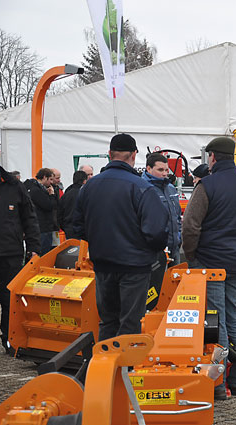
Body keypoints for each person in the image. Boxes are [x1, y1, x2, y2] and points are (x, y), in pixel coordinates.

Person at [71, 133, 168, 341]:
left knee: (108, 321)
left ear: (109, 154)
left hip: (103, 264)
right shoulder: (142, 188)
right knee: (130, 323)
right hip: (134, 266)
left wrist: (99, 241)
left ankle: (106, 360)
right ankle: (125, 361)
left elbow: (76, 226)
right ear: (134, 155)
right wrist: (147, 251)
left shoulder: (89, 187)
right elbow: (157, 232)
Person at [182, 136, 236, 400]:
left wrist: (191, 255)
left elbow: (190, 225)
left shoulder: (207, 185)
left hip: (211, 261)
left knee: (215, 320)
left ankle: (216, 383)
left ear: (212, 157)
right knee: (235, 316)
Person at [0, 145, 40, 353]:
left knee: (9, 297)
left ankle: (10, 339)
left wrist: (34, 248)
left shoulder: (14, 186)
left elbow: (30, 219)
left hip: (9, 251)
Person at [142, 153, 182, 266]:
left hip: (174, 249)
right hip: (154, 252)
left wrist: (178, 237)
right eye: (160, 170)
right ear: (148, 169)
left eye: (166, 170)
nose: (164, 173)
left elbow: (177, 217)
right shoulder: (143, 189)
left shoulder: (171, 189)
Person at [24, 168, 58, 255]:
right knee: (44, 255)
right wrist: (52, 195)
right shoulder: (37, 190)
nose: (51, 182)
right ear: (44, 177)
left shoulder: (30, 188)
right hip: (43, 227)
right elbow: (49, 206)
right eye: (50, 179)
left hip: (36, 227)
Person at [58, 170, 88, 239]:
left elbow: (59, 213)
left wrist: (64, 227)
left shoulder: (66, 194)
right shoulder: (84, 194)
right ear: (84, 181)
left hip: (68, 229)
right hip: (82, 230)